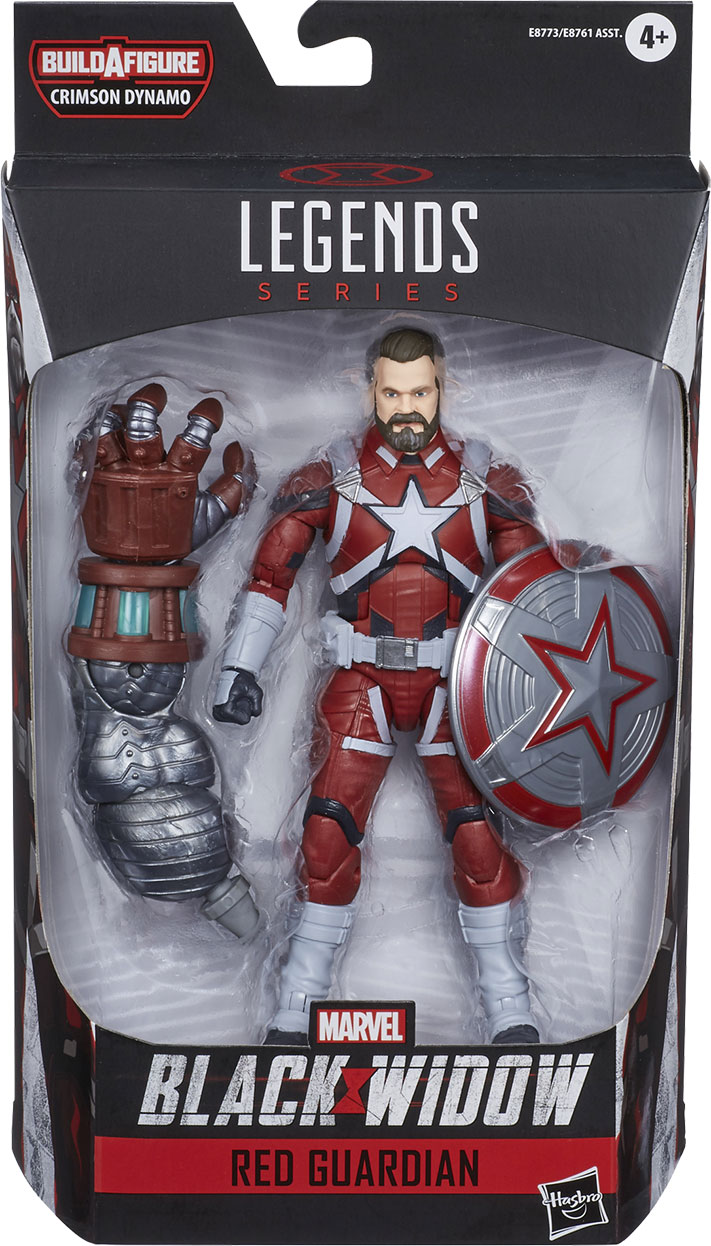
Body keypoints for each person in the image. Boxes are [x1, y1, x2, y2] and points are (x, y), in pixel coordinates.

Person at [214, 327, 542, 1043]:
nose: (406, 408)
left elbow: (534, 597)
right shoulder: (328, 475)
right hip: (360, 677)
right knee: (326, 834)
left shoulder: (487, 478)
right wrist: (239, 666)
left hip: (455, 687)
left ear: (442, 385)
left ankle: (510, 1010)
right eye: (392, 393)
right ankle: (295, 1007)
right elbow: (270, 577)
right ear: (369, 388)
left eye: (419, 391)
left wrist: (545, 695)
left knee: (476, 836)